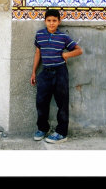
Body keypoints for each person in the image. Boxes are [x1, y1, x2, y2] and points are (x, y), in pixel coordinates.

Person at [31, 9, 82, 143]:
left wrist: (66, 54)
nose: (52, 23)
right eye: (49, 21)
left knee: (62, 103)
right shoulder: (39, 35)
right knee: (41, 102)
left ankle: (61, 133)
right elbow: (38, 53)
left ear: (59, 21)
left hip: (60, 72)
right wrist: (34, 72)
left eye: (54, 21)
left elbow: (78, 50)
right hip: (45, 72)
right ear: (45, 21)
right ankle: (43, 128)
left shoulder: (63, 37)